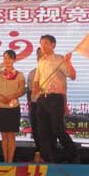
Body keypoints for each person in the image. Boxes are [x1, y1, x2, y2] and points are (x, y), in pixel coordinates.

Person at [32, 35, 78, 163]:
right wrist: (35, 90)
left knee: (57, 129)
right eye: (41, 43)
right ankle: (48, 158)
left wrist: (68, 62)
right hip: (42, 98)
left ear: (53, 45)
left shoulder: (59, 59)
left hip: (56, 98)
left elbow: (72, 76)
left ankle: (74, 154)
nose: (43, 46)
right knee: (42, 131)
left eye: (46, 43)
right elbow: (36, 80)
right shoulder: (41, 61)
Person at [0, 49, 25, 163]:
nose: (7, 60)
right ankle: (5, 160)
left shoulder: (19, 74)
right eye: (5, 58)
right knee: (4, 136)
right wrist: (0, 96)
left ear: (14, 60)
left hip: (13, 107)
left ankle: (10, 161)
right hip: (1, 107)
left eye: (10, 58)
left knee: (11, 136)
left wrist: (12, 96)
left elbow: (22, 90)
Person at [27, 48, 43, 162]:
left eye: (43, 55)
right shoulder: (32, 73)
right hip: (35, 105)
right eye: (39, 55)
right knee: (36, 131)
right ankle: (38, 153)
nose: (40, 57)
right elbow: (28, 91)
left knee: (47, 131)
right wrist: (30, 105)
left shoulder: (53, 72)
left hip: (48, 105)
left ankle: (47, 155)